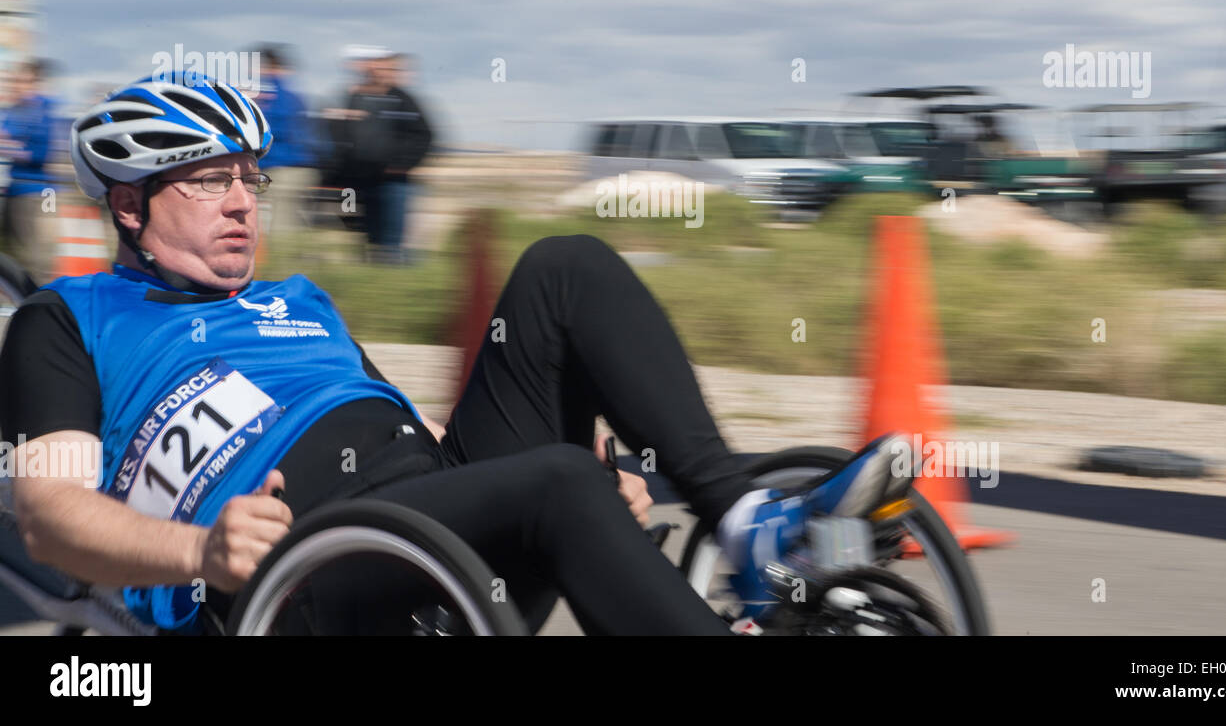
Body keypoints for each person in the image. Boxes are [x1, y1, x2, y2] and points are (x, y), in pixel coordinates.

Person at [0, 71, 910, 635]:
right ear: (129, 207)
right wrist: (202, 548)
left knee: (564, 268)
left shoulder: (300, 302)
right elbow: (48, 515)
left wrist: (599, 484)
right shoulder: (71, 317)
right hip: (309, 569)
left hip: (426, 508)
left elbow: (425, 433)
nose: (242, 201)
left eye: (249, 177)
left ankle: (747, 518)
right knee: (557, 481)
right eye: (207, 181)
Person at [332, 50, 434, 264]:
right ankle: (374, 273)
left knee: (391, 240)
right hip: (361, 181)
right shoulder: (356, 98)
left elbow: (425, 136)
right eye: (375, 69)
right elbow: (341, 132)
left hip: (394, 183)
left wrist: (401, 165)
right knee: (368, 236)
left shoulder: (404, 100)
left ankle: (397, 275)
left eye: (386, 69)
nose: (378, 73)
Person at [248, 44, 318, 248]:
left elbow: (264, 135)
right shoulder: (293, 96)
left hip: (279, 168)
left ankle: (279, 272)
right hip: (295, 169)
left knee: (275, 231)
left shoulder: (266, 96)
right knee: (284, 227)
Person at [0, 58, 59, 284]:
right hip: (16, 190)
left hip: (38, 193)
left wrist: (8, 146)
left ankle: (39, 306)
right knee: (16, 254)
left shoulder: (43, 110)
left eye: (21, 81)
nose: (16, 86)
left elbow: (41, 155)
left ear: (35, 82)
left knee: (36, 257)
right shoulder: (16, 110)